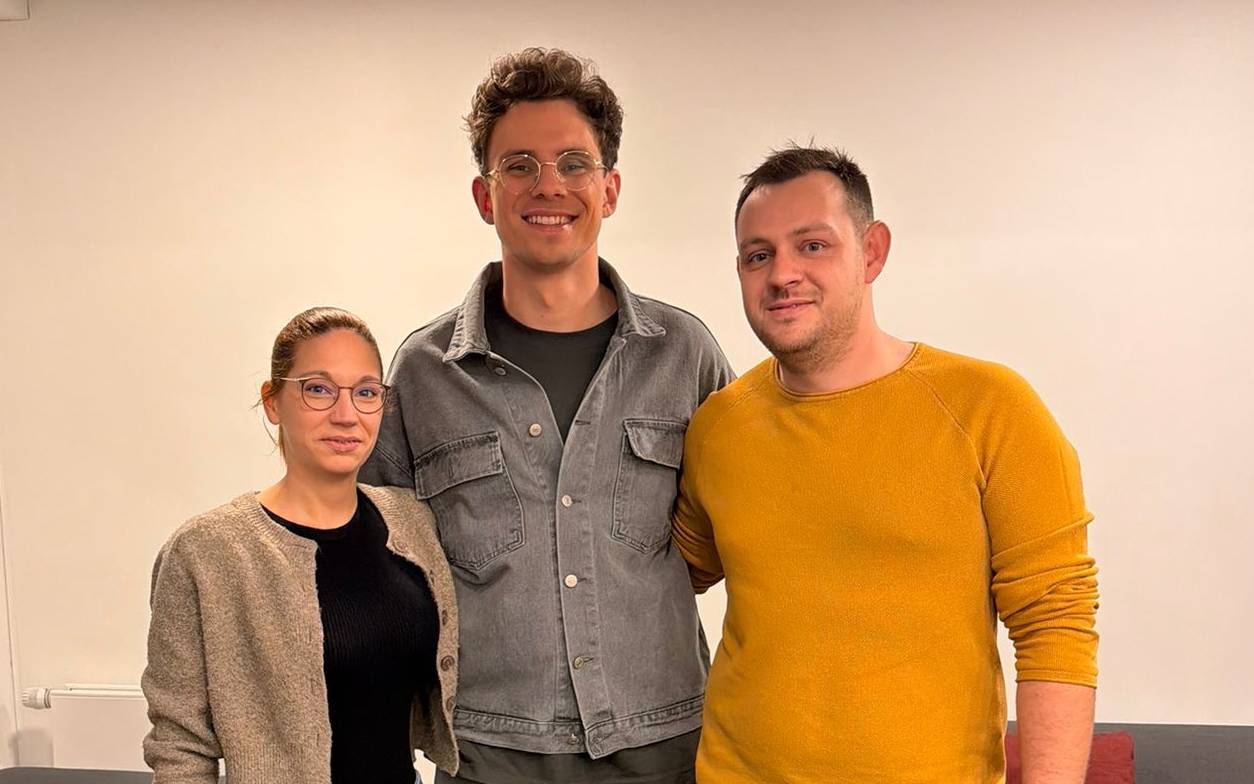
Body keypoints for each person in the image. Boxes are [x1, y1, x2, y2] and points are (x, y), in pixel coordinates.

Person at [359, 48, 732, 784]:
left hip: (668, 751)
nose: (549, 185)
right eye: (519, 165)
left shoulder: (684, 355)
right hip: (487, 758)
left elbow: (744, 532)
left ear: (610, 188)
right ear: (484, 195)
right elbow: (383, 573)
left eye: (573, 163)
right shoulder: (423, 373)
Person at [672, 146, 1100, 783]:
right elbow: (663, 578)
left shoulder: (990, 408)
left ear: (872, 252)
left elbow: (1055, 621)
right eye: (758, 255)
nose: (782, 274)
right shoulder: (718, 426)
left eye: (812, 245)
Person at [142, 307, 460, 784]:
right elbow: (179, 746)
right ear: (272, 402)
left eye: (365, 393)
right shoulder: (206, 552)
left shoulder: (411, 521)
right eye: (318, 389)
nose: (346, 415)